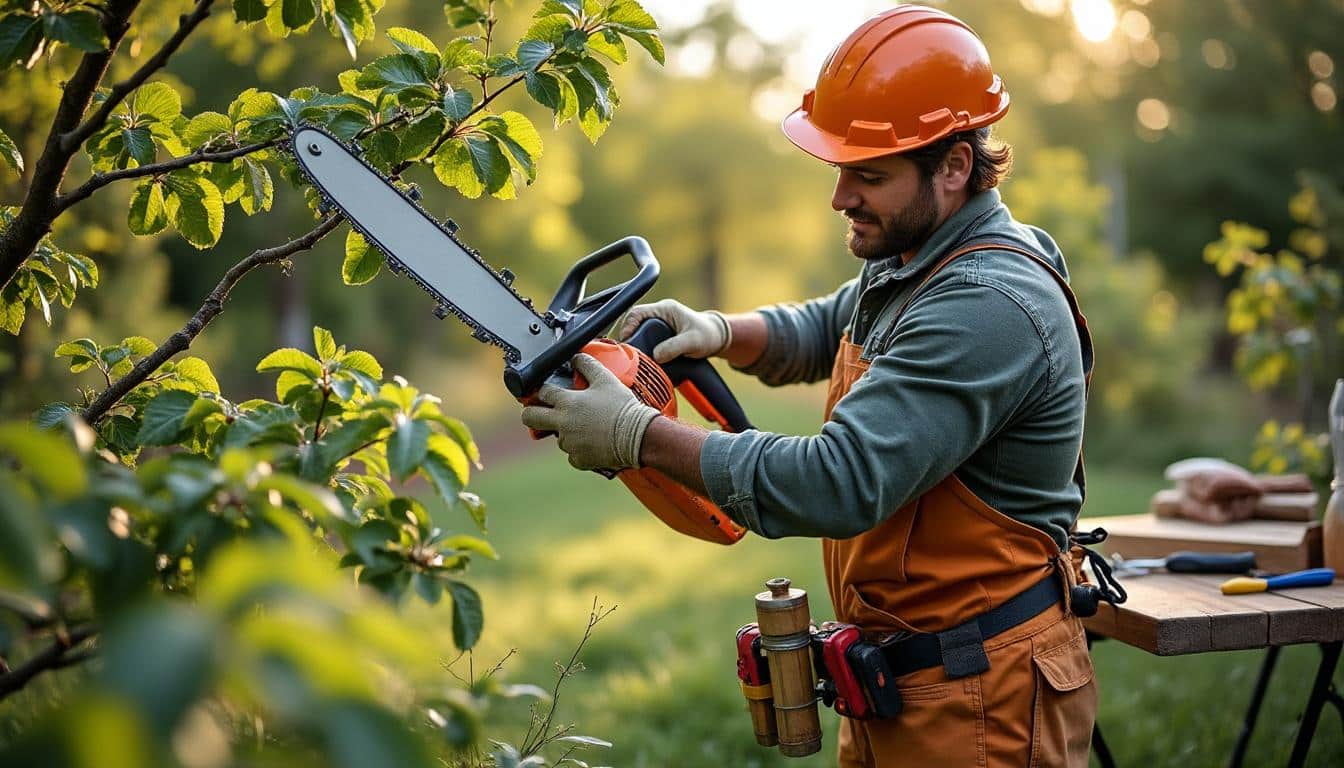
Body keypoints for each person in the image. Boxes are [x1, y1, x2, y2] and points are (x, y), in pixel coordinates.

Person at [521, 5, 1099, 766]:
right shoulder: (918, 254)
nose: (841, 197)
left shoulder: (988, 303)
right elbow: (831, 324)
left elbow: (838, 480)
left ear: (955, 166)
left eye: (869, 175)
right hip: (906, 680)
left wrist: (638, 435)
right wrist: (720, 330)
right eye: (840, 170)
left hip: (982, 695)